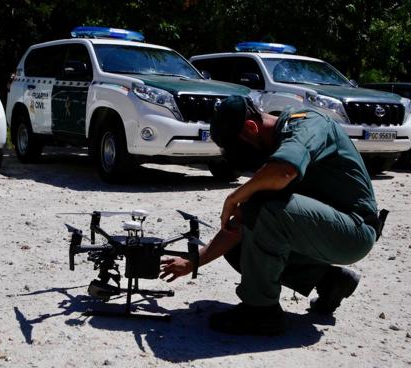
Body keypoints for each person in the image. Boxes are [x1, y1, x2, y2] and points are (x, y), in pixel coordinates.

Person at [160, 95, 383, 335]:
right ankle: (329, 281)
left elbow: (284, 172)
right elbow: (238, 226)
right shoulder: (274, 144)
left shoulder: (308, 124)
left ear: (250, 127)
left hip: (354, 232)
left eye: (237, 145)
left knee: (263, 207)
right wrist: (194, 261)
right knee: (240, 245)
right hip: (325, 231)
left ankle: (261, 313)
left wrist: (234, 197)